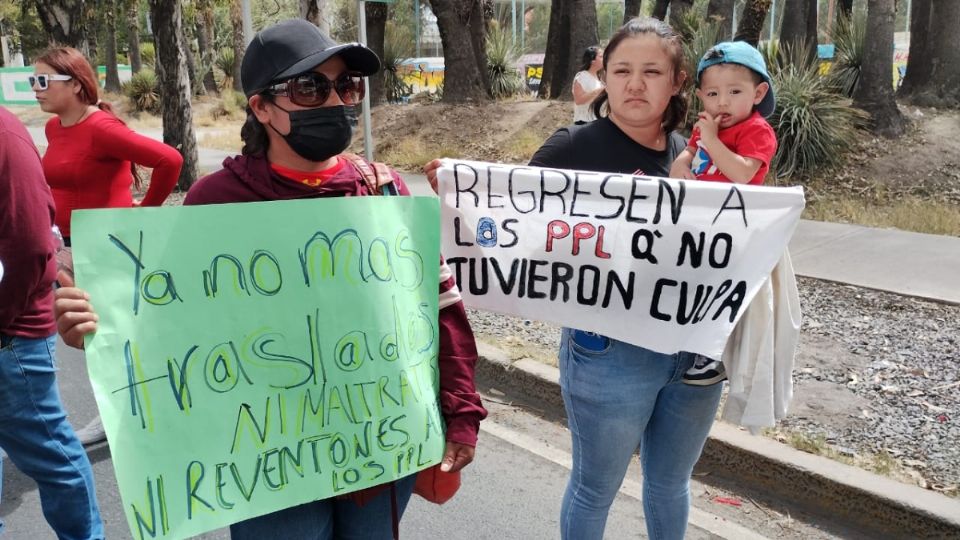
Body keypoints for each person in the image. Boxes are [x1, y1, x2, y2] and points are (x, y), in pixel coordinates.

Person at [53, 18, 486, 540]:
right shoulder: (216, 203)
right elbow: (168, 324)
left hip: (380, 453)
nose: (335, 102)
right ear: (260, 107)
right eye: (309, 88)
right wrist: (97, 333)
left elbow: (441, 310)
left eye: (346, 85)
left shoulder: (386, 189)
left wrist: (461, 412)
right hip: (272, 469)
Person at [424, 17, 714, 540]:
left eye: (652, 71)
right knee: (595, 487)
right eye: (622, 70)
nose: (635, 83)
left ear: (678, 81)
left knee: (671, 483)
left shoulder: (690, 156)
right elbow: (512, 218)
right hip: (609, 353)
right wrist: (462, 190)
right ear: (605, 76)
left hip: (691, 353)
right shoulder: (575, 147)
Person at [33, 46, 184, 445]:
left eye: (43, 80)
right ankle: (128, 405)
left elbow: (170, 160)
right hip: (68, 246)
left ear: (76, 84)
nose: (35, 88)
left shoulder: (101, 128)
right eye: (33, 80)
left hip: (107, 248)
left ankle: (123, 413)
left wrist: (144, 212)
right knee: (95, 334)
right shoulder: (54, 128)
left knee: (110, 332)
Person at [0, 105, 104, 539]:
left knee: (51, 452)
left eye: (49, 79)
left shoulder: (4, 132)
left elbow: (29, 243)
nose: (41, 89)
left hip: (11, 336)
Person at [668, 40, 777, 386]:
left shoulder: (756, 130)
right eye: (713, 94)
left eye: (734, 91)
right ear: (701, 95)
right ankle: (691, 341)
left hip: (734, 226)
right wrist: (680, 163)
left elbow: (743, 172)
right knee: (693, 282)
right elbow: (690, 152)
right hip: (700, 222)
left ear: (758, 93)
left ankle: (714, 355)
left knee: (721, 290)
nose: (723, 102)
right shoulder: (707, 126)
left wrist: (712, 140)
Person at [572, 46, 604, 124]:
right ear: (592, 60)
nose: (604, 59)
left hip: (597, 120)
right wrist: (600, 90)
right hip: (584, 122)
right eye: (601, 56)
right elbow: (579, 100)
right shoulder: (582, 76)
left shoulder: (599, 78)